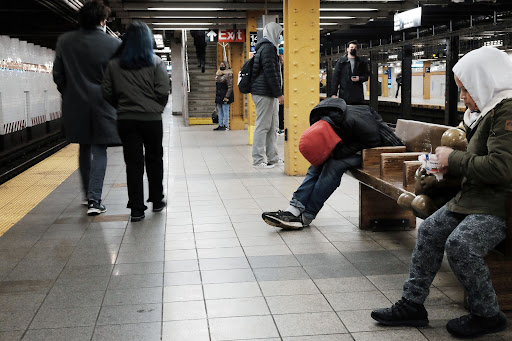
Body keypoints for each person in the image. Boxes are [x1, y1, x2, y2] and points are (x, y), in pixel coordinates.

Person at [371, 46, 512, 339]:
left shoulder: (506, 110)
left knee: (461, 245)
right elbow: (472, 158)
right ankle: (412, 304)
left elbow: (501, 168)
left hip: (497, 205)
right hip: (471, 197)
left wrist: (452, 159)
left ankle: (488, 314)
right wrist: (442, 165)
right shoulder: (482, 112)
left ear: (485, 82)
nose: (463, 98)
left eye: (466, 90)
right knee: (430, 231)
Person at [262, 98, 401, 228]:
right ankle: (294, 209)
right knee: (317, 165)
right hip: (356, 142)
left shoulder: (357, 123)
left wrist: (339, 152)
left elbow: (374, 141)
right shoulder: (324, 119)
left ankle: (306, 216)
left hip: (379, 149)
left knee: (334, 165)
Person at [53, 0, 121, 216]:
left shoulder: (65, 41)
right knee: (99, 150)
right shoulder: (113, 45)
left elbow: (58, 75)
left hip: (76, 104)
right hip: (103, 104)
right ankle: (94, 200)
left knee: (84, 147)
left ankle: (87, 196)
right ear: (102, 21)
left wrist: (70, 94)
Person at [102, 21, 170, 222]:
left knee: (133, 163)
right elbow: (163, 91)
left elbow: (106, 91)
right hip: (151, 120)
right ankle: (157, 200)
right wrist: (157, 108)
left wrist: (121, 106)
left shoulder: (114, 64)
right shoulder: (156, 62)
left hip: (126, 120)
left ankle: (137, 209)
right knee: (154, 159)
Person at [250, 22, 284, 168]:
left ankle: (273, 158)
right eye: (279, 33)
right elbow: (270, 74)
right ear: (273, 33)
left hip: (268, 93)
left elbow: (270, 70)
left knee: (272, 126)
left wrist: (280, 63)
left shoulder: (267, 48)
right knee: (263, 126)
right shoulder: (268, 48)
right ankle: (257, 160)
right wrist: (279, 94)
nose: (280, 36)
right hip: (264, 93)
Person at [330, 40, 369, 105]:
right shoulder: (341, 62)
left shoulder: (361, 62)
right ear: (347, 49)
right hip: (344, 94)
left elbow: (366, 76)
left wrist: (359, 78)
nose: (353, 49)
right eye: (352, 47)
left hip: (357, 95)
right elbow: (335, 78)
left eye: (355, 48)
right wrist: (333, 94)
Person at [213, 60, 234, 131]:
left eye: (223, 65)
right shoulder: (218, 74)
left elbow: (230, 87)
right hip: (219, 95)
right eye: (220, 65)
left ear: (226, 66)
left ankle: (226, 125)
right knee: (220, 111)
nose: (221, 66)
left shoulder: (229, 74)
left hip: (225, 95)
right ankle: (220, 125)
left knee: (225, 111)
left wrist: (227, 97)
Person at [277, 46, 285, 135]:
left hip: (285, 91)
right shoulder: (276, 66)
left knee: (282, 110)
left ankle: (282, 127)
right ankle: (280, 127)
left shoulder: (286, 67)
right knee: (280, 110)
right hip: (279, 92)